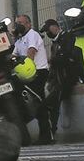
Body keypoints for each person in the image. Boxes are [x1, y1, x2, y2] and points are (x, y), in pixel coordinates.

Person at [12, 15, 53, 144]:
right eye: (17, 23)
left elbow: (31, 52)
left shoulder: (32, 35)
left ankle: (46, 136)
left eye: (21, 22)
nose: (19, 25)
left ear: (29, 24)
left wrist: (24, 62)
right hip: (26, 75)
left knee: (38, 102)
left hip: (38, 72)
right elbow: (13, 56)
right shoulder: (19, 41)